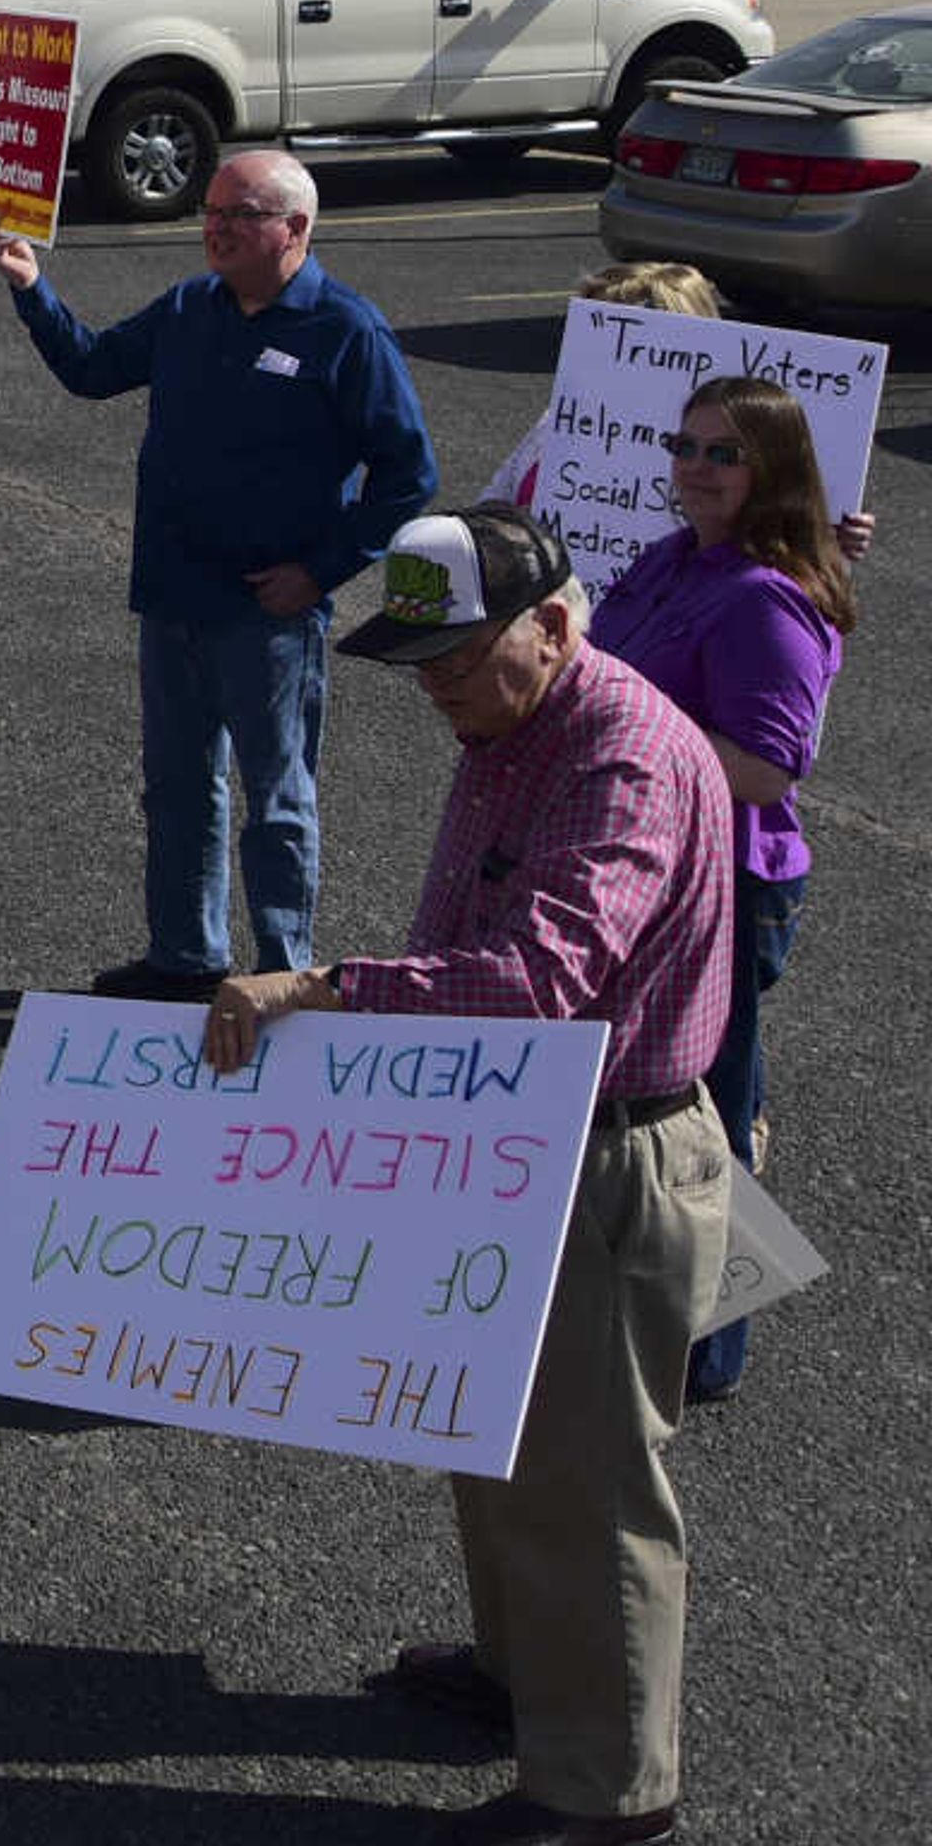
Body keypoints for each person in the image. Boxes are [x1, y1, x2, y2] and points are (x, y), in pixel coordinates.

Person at [208, 505, 730, 1846]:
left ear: (554, 623)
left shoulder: (618, 757)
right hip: (516, 1135)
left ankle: (611, 1791)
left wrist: (325, 989)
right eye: (421, 662)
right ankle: (522, 1680)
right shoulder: (519, 719)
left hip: (606, 1154)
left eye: (458, 657)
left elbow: (542, 980)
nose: (437, 688)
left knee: (592, 1481)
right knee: (487, 1433)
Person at [0, 150, 435, 998]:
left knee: (277, 802)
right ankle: (186, 959)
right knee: (178, 790)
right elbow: (93, 368)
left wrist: (322, 570)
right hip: (173, 596)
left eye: (241, 214)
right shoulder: (193, 307)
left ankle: (280, 974)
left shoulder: (345, 330)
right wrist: (29, 288)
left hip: (268, 613)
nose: (217, 228)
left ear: (294, 229)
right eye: (213, 211)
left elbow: (407, 474)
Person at [587, 374, 851, 1406]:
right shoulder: (675, 556)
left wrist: (620, 723)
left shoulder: (766, 596)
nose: (694, 466)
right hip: (654, 863)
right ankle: (656, 1313)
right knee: (661, 1103)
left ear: (773, 468)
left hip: (727, 882)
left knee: (713, 1111)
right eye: (686, 444)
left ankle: (711, 1350)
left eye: (724, 453)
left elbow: (768, 768)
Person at [483, 257, 874, 564]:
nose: (596, 356)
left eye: (621, 343)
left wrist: (826, 539)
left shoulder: (735, 445)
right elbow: (492, 506)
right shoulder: (561, 420)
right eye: (590, 334)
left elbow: (777, 550)